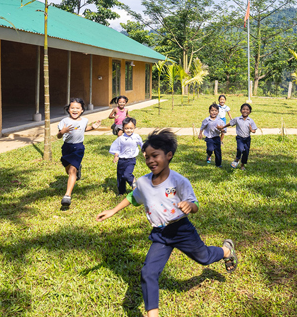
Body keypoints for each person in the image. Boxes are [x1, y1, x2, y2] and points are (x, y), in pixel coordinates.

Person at [96, 130, 238, 317]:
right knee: (148, 272)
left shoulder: (179, 181)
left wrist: (189, 206)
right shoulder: (143, 182)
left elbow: (194, 204)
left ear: (168, 155)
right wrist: (113, 210)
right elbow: (133, 197)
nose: (150, 161)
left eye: (155, 156)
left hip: (181, 229)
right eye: (147, 157)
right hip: (160, 234)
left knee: (203, 258)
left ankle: (226, 251)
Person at [57, 97, 101, 206]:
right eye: (72, 108)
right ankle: (77, 169)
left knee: (72, 170)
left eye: (78, 108)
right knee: (68, 170)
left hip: (78, 147)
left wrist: (93, 127)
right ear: (68, 109)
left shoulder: (85, 120)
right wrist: (62, 131)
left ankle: (67, 196)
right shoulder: (64, 121)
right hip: (67, 148)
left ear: (82, 110)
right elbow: (58, 136)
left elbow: (82, 129)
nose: (75, 110)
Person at [109, 116, 143, 195]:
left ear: (134, 127)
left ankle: (135, 185)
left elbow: (142, 145)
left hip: (131, 160)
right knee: (120, 177)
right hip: (121, 160)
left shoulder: (136, 137)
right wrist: (116, 156)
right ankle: (121, 192)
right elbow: (116, 147)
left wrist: (144, 152)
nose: (129, 130)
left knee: (127, 175)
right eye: (126, 128)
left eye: (131, 128)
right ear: (123, 128)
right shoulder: (121, 138)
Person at [228, 103, 257, 169]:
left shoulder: (250, 120)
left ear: (250, 112)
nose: (245, 111)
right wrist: (223, 127)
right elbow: (230, 123)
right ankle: (237, 159)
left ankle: (242, 165)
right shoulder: (237, 119)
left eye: (247, 109)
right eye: (243, 109)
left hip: (247, 139)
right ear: (240, 110)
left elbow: (254, 130)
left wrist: (252, 130)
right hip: (240, 138)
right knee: (240, 149)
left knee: (246, 152)